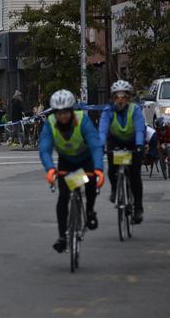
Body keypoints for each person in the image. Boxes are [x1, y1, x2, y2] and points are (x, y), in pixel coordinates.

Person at [39, 89, 105, 253]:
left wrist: (98, 169)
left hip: (85, 160)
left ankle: (90, 211)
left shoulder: (83, 120)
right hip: (66, 162)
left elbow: (95, 145)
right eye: (59, 112)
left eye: (66, 112)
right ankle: (63, 236)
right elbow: (45, 149)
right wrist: (50, 169)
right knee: (63, 197)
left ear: (72, 110)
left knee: (90, 185)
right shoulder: (50, 123)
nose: (62, 116)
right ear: (54, 112)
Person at [99, 80, 146, 224]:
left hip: (133, 141)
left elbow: (139, 128)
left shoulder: (135, 109)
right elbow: (102, 129)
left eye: (123, 96)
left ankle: (138, 208)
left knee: (135, 176)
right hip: (115, 140)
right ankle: (115, 190)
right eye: (117, 96)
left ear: (128, 97)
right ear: (113, 98)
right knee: (112, 169)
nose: (120, 99)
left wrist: (139, 145)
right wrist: (101, 144)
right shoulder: (108, 111)